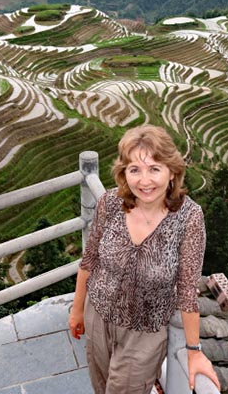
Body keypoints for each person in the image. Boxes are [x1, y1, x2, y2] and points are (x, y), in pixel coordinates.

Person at [69, 124, 220, 393]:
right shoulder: (110, 203)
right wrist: (77, 309)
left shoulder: (189, 218)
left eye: (154, 169)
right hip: (98, 315)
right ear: (123, 173)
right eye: (134, 170)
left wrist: (194, 350)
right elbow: (90, 259)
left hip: (145, 330)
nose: (144, 181)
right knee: (101, 387)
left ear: (172, 172)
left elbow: (187, 290)